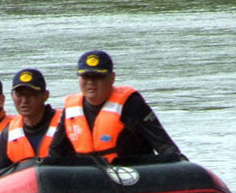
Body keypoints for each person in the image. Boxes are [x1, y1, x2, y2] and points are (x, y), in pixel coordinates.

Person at [46, 50, 182, 162]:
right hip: (87, 179)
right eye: (86, 77)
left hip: (132, 177)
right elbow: (55, 154)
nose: (90, 83)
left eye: (97, 77)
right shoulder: (71, 109)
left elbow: (164, 145)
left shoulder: (131, 103)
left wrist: (183, 167)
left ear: (112, 78)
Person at [0, 69, 62, 169]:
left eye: (31, 94)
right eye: (19, 94)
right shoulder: (7, 134)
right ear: (12, 96)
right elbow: (0, 176)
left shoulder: (63, 125)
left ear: (45, 95)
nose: (24, 100)